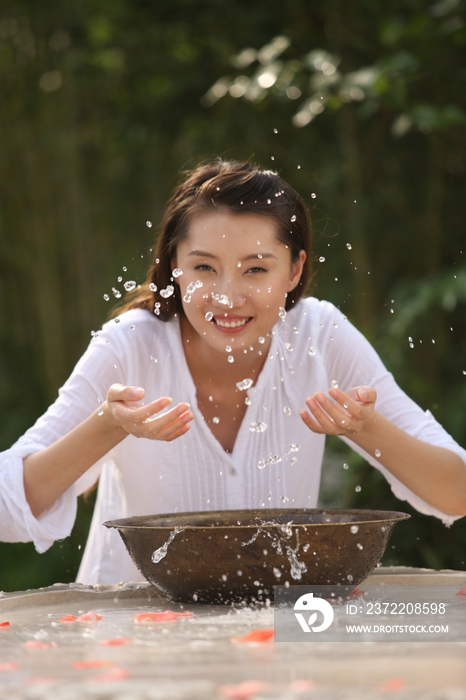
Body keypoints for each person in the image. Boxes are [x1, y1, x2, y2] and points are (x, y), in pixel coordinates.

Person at [1, 159, 466, 584]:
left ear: (293, 269)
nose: (227, 296)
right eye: (203, 267)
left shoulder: (319, 336)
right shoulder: (130, 346)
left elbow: (456, 492)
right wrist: (107, 426)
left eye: (256, 270)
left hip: (277, 632)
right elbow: (7, 510)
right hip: (131, 641)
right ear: (174, 267)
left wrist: (369, 428)